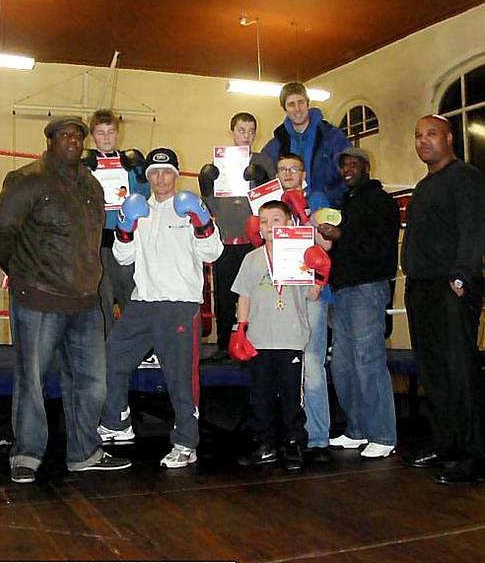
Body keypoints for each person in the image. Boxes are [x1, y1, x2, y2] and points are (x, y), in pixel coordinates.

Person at [0, 116, 131, 484]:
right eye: (65, 135)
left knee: (92, 382)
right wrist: (25, 274)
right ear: (50, 140)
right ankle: (26, 453)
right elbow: (2, 233)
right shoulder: (27, 179)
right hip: (39, 298)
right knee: (32, 381)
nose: (73, 140)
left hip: (85, 301)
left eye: (77, 135)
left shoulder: (90, 183)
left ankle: (84, 452)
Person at [98, 148, 224, 468]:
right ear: (148, 177)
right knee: (111, 359)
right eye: (154, 173)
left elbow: (212, 253)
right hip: (143, 302)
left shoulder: (190, 207)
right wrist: (125, 227)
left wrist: (201, 221)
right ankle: (117, 422)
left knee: (180, 377)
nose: (160, 179)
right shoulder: (140, 209)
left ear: (177, 175)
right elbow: (123, 258)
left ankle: (186, 442)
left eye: (166, 173)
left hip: (180, 304)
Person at [402, 114, 485, 484]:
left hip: (451, 287)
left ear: (449, 138)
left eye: (431, 134)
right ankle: (446, 445)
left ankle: (474, 457)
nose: (423, 141)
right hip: (422, 288)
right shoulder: (424, 186)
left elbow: (473, 228)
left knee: (460, 373)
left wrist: (462, 276)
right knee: (433, 372)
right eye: (418, 135)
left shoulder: (466, 178)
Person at [231, 200, 327, 472]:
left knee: (291, 396)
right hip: (259, 338)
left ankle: (294, 443)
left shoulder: (301, 255)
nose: (270, 226)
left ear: (288, 224)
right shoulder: (252, 258)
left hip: (291, 337)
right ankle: (264, 444)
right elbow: (244, 296)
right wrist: (241, 328)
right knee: (260, 396)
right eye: (263, 221)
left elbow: (312, 295)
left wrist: (319, 275)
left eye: (276, 220)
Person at [319, 147, 399, 459]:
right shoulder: (347, 201)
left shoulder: (380, 201)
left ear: (367, 166)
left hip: (367, 288)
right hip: (342, 290)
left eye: (354, 164)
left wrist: (342, 234)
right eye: (344, 165)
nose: (347, 170)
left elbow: (380, 246)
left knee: (368, 361)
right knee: (343, 363)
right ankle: (357, 429)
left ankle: (383, 434)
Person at [199, 112, 275, 360]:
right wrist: (207, 188)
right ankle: (224, 345)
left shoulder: (263, 162)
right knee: (224, 295)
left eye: (251, 131)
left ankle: (255, 344)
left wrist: (261, 183)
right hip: (226, 241)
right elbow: (212, 209)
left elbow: (271, 205)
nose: (247, 135)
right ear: (232, 132)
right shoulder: (220, 165)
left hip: (253, 241)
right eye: (242, 130)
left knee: (254, 294)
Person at [276, 154, 333, 464]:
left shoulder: (317, 201)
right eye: (283, 169)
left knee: (311, 365)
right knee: (283, 364)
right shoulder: (270, 204)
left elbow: (326, 246)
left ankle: (318, 437)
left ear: (303, 173)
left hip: (311, 290)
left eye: (293, 169)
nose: (288, 173)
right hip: (279, 294)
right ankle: (289, 436)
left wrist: (306, 218)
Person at [82, 109, 150, 339]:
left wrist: (141, 174)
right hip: (97, 239)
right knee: (102, 295)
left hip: (126, 237)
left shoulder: (129, 162)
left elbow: (144, 197)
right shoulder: (85, 164)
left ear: (118, 133)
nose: (107, 138)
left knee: (130, 292)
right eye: (101, 133)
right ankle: (107, 347)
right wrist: (80, 172)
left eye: (111, 132)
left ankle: (135, 345)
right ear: (92, 136)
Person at [261, 82, 350, 207]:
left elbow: (349, 174)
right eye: (291, 104)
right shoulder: (275, 146)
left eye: (301, 102)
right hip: (289, 215)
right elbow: (264, 183)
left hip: (328, 211)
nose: (297, 109)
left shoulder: (333, 137)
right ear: (284, 108)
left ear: (308, 103)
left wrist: (327, 200)